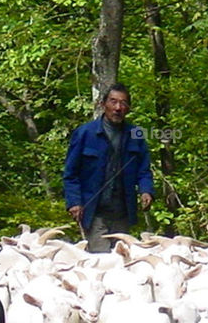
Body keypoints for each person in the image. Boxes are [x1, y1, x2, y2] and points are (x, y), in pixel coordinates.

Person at [63, 83, 154, 252]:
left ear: (128, 108)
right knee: (102, 259)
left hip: (122, 212)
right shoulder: (85, 133)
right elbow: (70, 173)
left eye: (123, 103)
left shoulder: (136, 135)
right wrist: (74, 202)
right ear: (103, 104)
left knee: (122, 258)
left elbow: (144, 170)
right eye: (113, 101)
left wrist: (146, 191)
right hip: (94, 212)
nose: (118, 107)